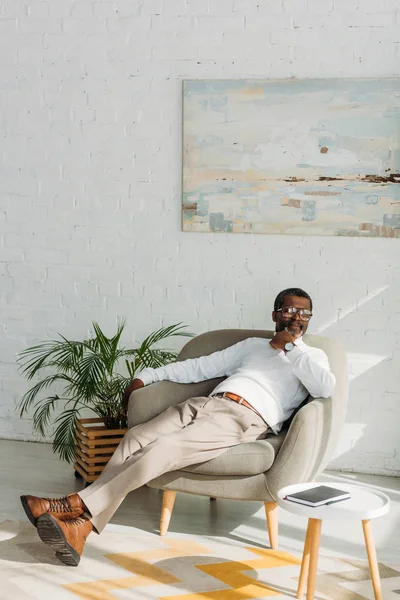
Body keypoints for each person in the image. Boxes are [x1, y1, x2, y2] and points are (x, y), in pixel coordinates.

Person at [20, 287, 335, 566]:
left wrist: (290, 348)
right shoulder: (252, 345)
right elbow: (200, 367)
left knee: (164, 449)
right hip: (205, 403)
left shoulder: (313, 357)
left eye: (304, 312)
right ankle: (80, 528)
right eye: (290, 310)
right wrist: (147, 376)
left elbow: (324, 388)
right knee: (135, 438)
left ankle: (72, 506)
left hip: (242, 417)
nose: (297, 317)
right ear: (276, 313)